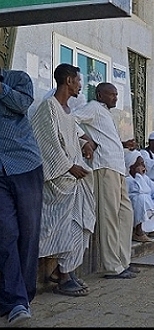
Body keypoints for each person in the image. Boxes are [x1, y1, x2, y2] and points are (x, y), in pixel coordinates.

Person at [30, 63, 96, 297]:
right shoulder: (48, 107)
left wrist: (84, 143)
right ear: (68, 81)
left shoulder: (67, 111)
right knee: (58, 227)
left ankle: (64, 270)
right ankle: (63, 276)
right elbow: (46, 143)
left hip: (75, 179)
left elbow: (69, 138)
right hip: (59, 179)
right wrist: (69, 166)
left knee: (82, 223)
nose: (80, 85)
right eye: (78, 80)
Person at [72, 82, 139, 280]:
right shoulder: (93, 107)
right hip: (105, 167)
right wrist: (85, 140)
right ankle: (112, 267)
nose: (115, 98)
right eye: (111, 95)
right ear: (100, 95)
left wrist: (124, 144)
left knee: (126, 215)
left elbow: (106, 138)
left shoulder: (107, 114)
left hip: (118, 169)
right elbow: (70, 119)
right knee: (109, 217)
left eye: (116, 95)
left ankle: (123, 261)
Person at [0, 67, 44, 326]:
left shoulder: (18, 79)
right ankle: (15, 302)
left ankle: (23, 296)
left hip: (25, 165)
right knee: (6, 233)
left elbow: (22, 103)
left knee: (29, 233)